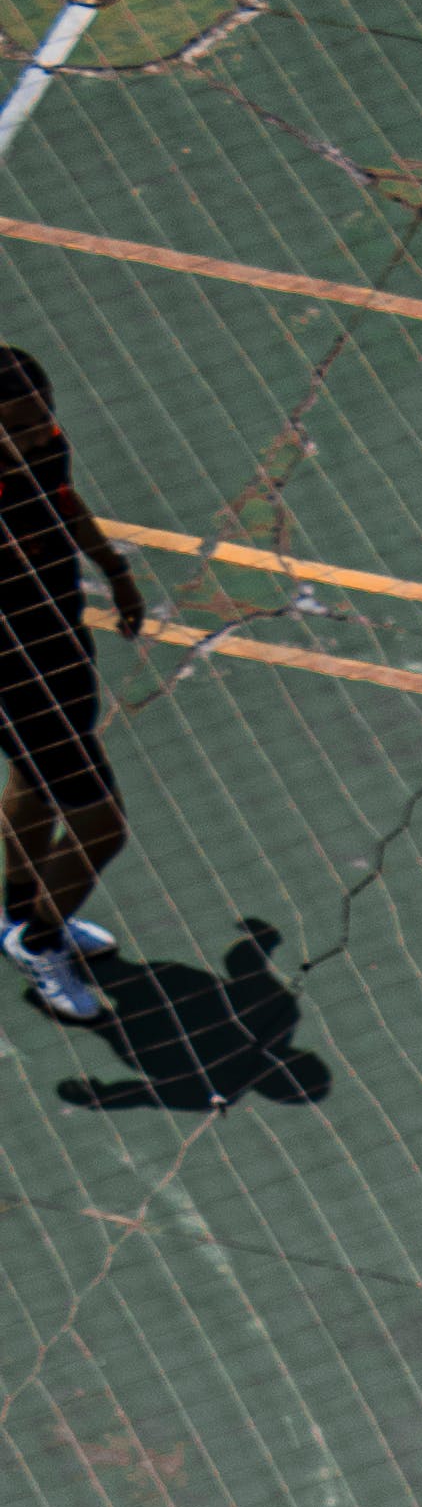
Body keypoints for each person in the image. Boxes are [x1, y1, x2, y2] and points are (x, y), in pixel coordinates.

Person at [0, 348, 142, 1031]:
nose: (37, 436)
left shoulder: (43, 448)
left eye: (43, 419)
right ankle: (41, 944)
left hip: (60, 639)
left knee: (32, 778)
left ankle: (21, 907)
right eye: (18, 428)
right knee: (101, 824)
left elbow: (60, 497)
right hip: (12, 668)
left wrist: (113, 568)